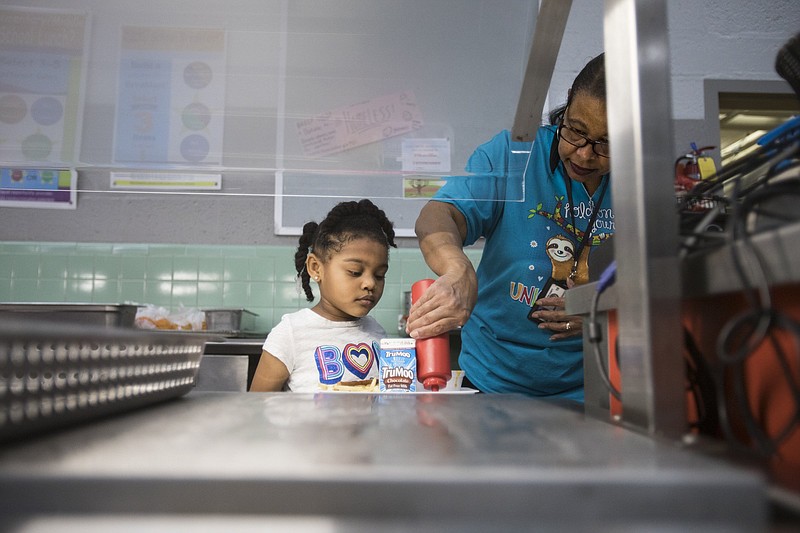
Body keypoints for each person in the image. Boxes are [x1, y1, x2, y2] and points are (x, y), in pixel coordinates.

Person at [407, 53, 613, 401]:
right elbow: (437, 217)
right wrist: (458, 268)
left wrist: (603, 314)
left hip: (595, 388)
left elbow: (665, 287)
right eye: (576, 131)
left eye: (604, 144)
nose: (583, 155)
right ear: (566, 108)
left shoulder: (645, 180)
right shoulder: (513, 154)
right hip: (493, 382)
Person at [250, 199, 396, 392]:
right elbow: (258, 404)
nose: (370, 283)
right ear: (315, 268)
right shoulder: (291, 333)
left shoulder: (376, 331)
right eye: (354, 271)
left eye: (379, 275)